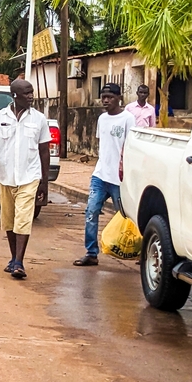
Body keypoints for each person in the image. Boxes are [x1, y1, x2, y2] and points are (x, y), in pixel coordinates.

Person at [0, 79, 52, 280]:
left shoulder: (39, 119)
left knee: (23, 219)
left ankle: (19, 262)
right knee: (9, 220)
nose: (31, 96)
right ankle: (14, 258)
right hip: (6, 177)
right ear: (15, 96)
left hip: (30, 177)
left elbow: (44, 151)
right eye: (27, 93)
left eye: (32, 92)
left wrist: (44, 182)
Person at [74, 83, 135, 266]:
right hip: (100, 175)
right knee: (91, 212)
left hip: (119, 179)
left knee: (125, 216)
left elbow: (131, 147)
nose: (106, 100)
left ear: (119, 98)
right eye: (104, 97)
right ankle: (91, 252)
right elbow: (103, 145)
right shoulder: (102, 119)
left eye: (110, 97)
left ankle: (135, 249)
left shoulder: (128, 119)